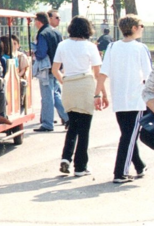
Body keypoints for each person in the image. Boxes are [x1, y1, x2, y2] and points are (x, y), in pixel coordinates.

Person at [94, 15, 151, 183]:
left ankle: (139, 165)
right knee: (128, 137)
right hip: (136, 99)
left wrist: (98, 94)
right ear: (133, 28)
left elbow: (103, 73)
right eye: (141, 26)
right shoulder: (140, 48)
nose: (142, 29)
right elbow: (149, 76)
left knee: (127, 134)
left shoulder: (112, 47)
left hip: (119, 99)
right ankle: (120, 173)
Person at [52, 16, 102, 177]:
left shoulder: (62, 45)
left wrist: (64, 81)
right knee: (84, 129)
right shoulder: (90, 46)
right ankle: (80, 166)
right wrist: (100, 93)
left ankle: (66, 157)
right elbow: (97, 73)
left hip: (69, 85)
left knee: (72, 125)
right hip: (85, 84)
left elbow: (55, 69)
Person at [34, 11, 68, 132]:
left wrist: (35, 53)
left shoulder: (42, 33)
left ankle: (48, 124)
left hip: (46, 68)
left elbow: (41, 53)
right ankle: (68, 118)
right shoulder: (57, 32)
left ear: (38, 22)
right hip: (56, 68)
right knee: (55, 94)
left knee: (47, 97)